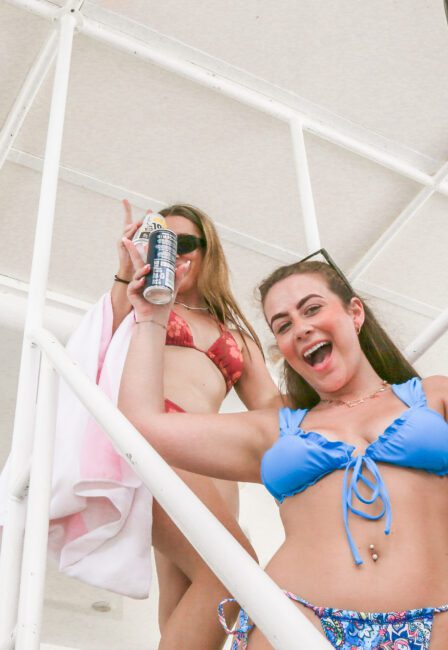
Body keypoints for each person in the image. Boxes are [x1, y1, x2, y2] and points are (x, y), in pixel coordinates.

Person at [118, 245, 448, 650]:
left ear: (353, 313)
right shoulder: (276, 426)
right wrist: (149, 316)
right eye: (283, 325)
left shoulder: (435, 398)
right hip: (299, 619)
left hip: (440, 624)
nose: (300, 329)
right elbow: (143, 423)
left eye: (311, 310)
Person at [112, 201, 281, 649]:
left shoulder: (238, 334)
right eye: (161, 241)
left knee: (188, 594)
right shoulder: (142, 299)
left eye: (184, 243)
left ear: (209, 250)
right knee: (233, 572)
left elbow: (270, 404)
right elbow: (108, 336)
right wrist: (127, 269)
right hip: (159, 434)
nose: (174, 251)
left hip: (213, 456)